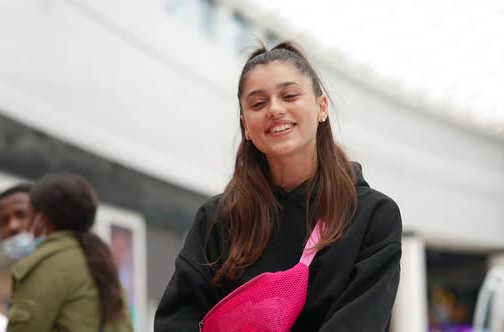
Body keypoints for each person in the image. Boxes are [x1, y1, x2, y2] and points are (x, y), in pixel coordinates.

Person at [154, 42, 402, 331]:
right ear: (246, 125)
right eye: (258, 103)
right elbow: (175, 320)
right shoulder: (217, 219)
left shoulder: (372, 215)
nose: (275, 109)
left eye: (289, 95)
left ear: (321, 107)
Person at [6, 173, 133, 332]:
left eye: (28, 215)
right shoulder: (100, 259)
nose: (25, 226)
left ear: (42, 219)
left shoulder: (46, 263)